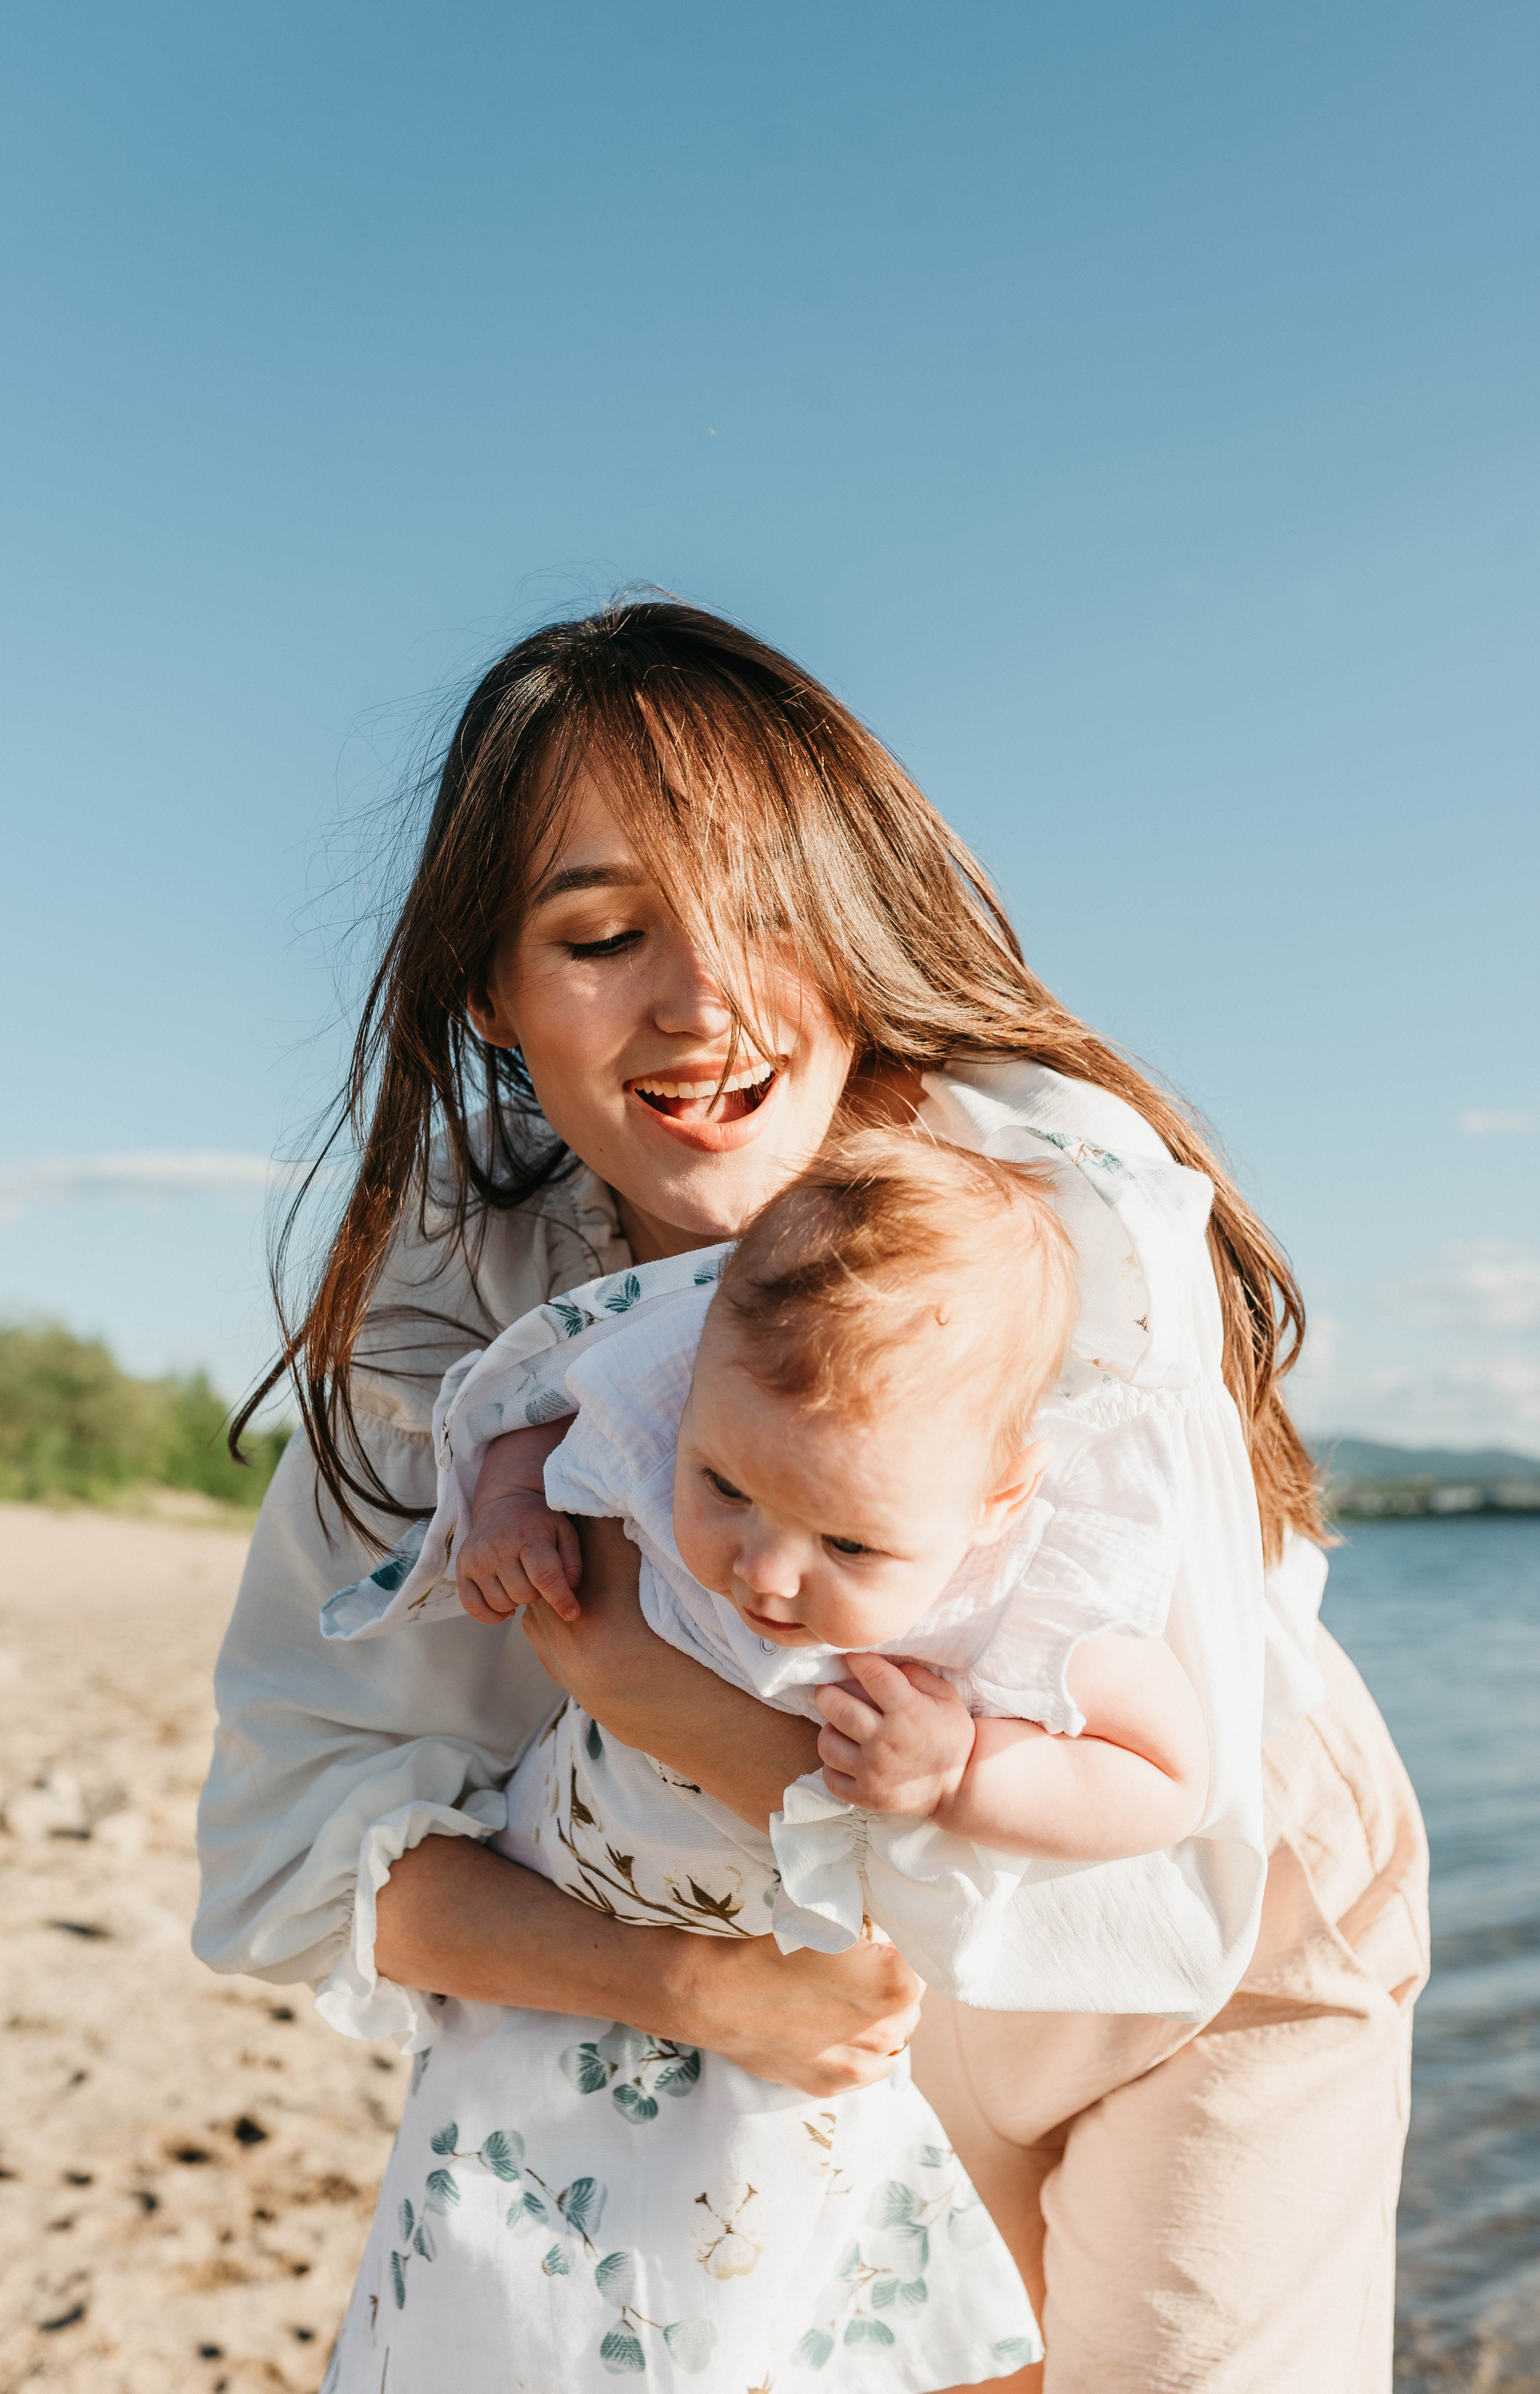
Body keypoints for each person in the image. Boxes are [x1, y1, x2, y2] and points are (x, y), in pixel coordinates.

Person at [196, 600, 1428, 2393]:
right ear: (490, 990)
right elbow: (305, 1867)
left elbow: (1157, 1791)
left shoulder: (1041, 1212)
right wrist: (695, 1992)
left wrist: (635, 1680)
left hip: (1192, 1923)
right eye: (607, 934)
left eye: (772, 911)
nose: (707, 1006)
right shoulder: (452, 1348)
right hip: (815, 1993)